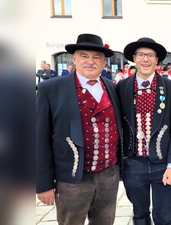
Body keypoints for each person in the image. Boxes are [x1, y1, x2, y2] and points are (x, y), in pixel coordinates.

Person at [36, 33, 123, 225]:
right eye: (84, 55)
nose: (90, 61)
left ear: (103, 62)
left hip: (109, 176)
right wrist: (43, 184)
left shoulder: (112, 87)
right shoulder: (51, 89)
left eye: (96, 57)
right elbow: (40, 138)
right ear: (74, 58)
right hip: (72, 178)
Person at [117, 37, 171, 225]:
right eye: (141, 55)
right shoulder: (122, 87)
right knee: (139, 215)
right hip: (133, 164)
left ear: (157, 60)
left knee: (164, 217)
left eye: (150, 55)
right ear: (134, 58)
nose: (145, 59)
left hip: (162, 164)